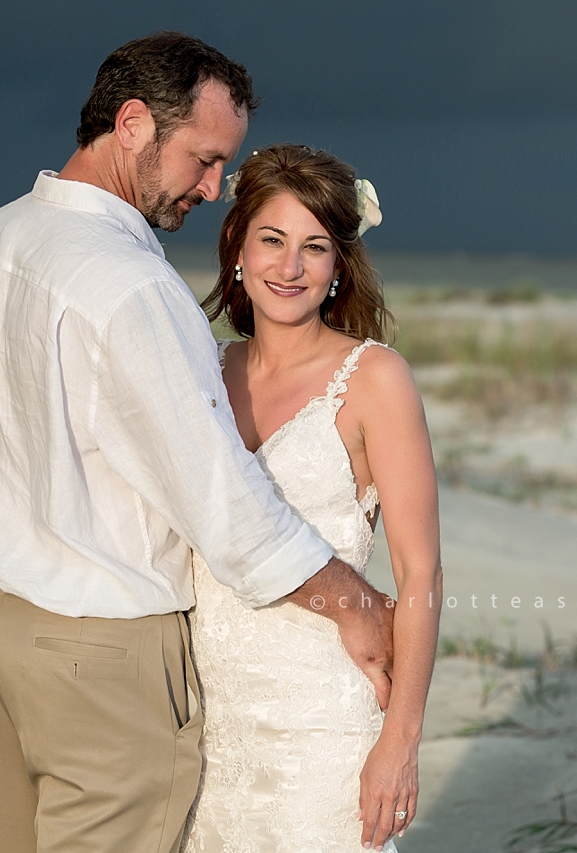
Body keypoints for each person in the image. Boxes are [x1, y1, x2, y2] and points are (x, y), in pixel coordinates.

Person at [0, 33, 394, 853]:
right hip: (99, 655)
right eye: (204, 159)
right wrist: (351, 598)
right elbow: (221, 501)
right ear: (132, 123)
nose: (213, 189)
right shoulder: (132, 285)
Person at [183, 144, 442, 853]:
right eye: (272, 239)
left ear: (338, 267)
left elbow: (420, 573)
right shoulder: (203, 367)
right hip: (208, 722)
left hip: (322, 726)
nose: (289, 267)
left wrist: (400, 741)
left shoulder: (376, 379)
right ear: (237, 245)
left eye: (314, 247)